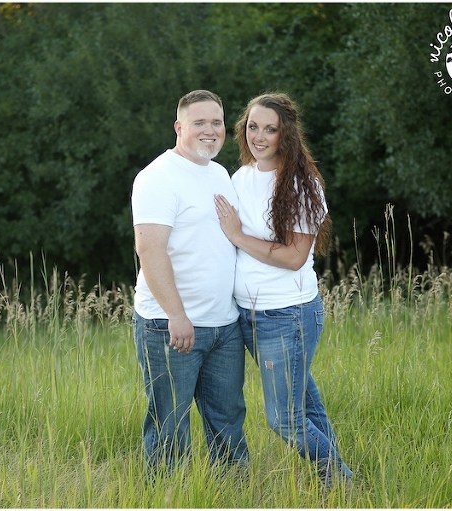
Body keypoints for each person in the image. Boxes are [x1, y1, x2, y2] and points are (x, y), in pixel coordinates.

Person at [214, 92, 353, 490]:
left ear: (285, 135)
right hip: (247, 315)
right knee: (306, 404)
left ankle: (342, 480)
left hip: (286, 315)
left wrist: (238, 236)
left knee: (284, 419)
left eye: (269, 129)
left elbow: (294, 256)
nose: (259, 136)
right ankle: (335, 485)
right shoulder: (241, 177)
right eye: (252, 127)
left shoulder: (301, 184)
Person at [131, 89, 249, 474]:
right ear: (179, 127)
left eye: (216, 122)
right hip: (171, 326)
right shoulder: (157, 177)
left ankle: (233, 496)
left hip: (224, 326)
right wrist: (176, 315)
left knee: (229, 422)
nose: (210, 130)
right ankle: (168, 497)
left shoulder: (220, 174)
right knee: (170, 427)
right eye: (199, 122)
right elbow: (149, 250)